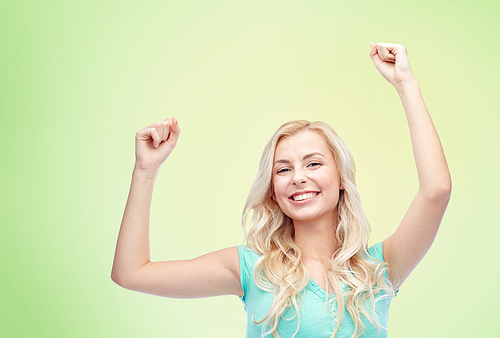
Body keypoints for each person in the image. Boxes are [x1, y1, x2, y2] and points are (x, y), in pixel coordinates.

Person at [111, 42, 451, 338]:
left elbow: (436, 191)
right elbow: (131, 273)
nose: (298, 177)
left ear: (342, 177)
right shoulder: (250, 268)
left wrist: (405, 83)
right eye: (283, 169)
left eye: (314, 163)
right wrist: (145, 170)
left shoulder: (380, 267)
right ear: (273, 191)